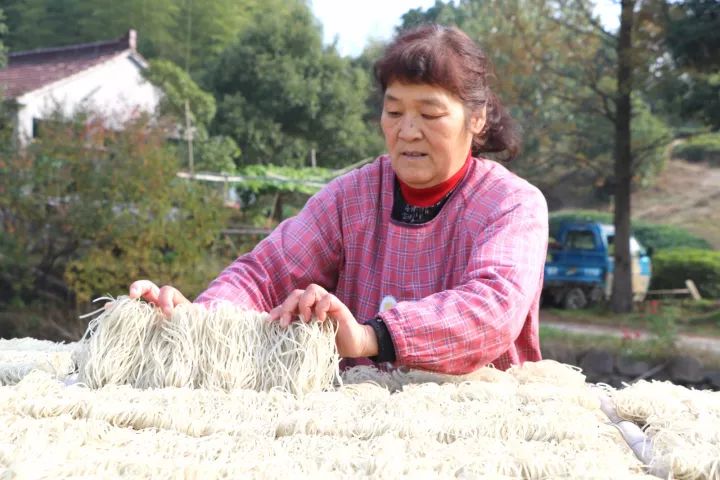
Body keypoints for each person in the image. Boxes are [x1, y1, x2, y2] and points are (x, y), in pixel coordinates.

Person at [129, 24, 548, 375]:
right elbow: (264, 274)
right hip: (355, 430)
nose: (407, 131)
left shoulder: (511, 204)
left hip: (482, 425)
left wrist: (369, 336)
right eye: (395, 111)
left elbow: (493, 307)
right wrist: (198, 319)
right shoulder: (354, 197)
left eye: (430, 113)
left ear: (475, 119)